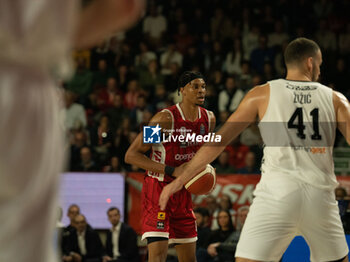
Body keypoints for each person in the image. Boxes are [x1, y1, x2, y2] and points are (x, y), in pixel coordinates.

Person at [159, 37, 350, 262]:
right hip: (320, 196)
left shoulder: (260, 94)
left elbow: (219, 141)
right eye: (319, 63)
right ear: (310, 63)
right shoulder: (336, 99)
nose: (319, 69)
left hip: (278, 192)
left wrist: (178, 180)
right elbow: (139, 148)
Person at [0, 0, 144, 261]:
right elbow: (124, 6)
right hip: (20, 83)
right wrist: (51, 34)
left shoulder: (189, 121)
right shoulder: (166, 121)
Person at [125, 71, 216, 262]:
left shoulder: (209, 119)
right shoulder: (165, 119)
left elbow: (202, 154)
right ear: (182, 90)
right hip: (158, 189)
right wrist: (173, 170)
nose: (201, 91)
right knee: (158, 257)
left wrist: (205, 172)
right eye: (195, 86)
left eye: (203, 87)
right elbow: (132, 155)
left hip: (182, 191)